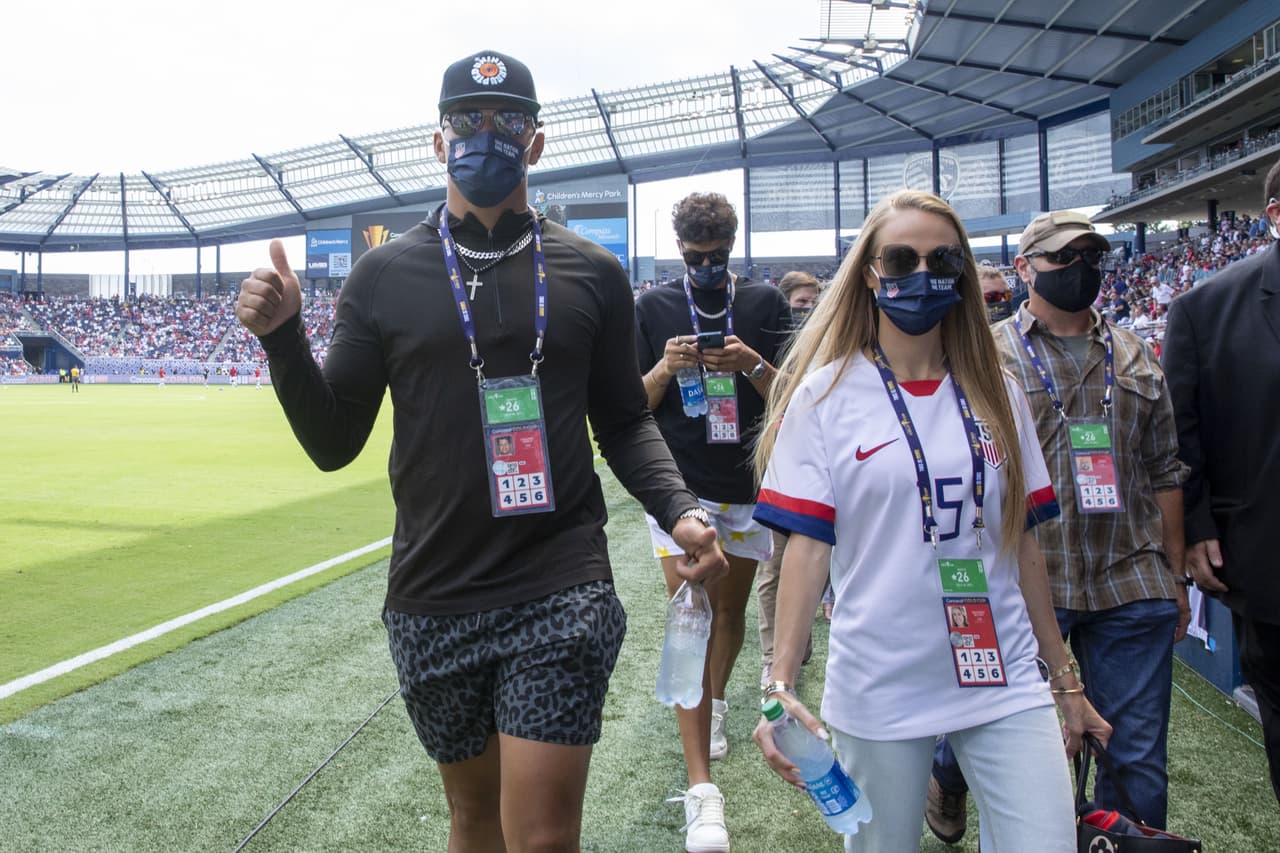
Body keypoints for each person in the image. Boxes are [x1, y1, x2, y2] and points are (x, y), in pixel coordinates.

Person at [235, 49, 728, 853]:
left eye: (507, 122)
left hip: (560, 580)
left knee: (538, 835)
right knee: (473, 822)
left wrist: (681, 510)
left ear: (536, 142)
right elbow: (333, 442)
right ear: (438, 140)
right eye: (467, 120)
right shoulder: (380, 275)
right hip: (434, 590)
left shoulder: (594, 271)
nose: (485, 136)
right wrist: (285, 340)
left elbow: (625, 419)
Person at [751, 190, 1109, 853]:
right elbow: (805, 551)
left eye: (940, 258)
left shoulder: (997, 387)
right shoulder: (824, 395)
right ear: (869, 271)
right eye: (900, 258)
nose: (921, 274)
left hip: (1001, 673)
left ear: (963, 273)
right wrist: (779, 682)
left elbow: (1024, 543)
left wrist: (1064, 679)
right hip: (880, 678)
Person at [927, 209, 1189, 844]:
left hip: (1129, 577)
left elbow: (1164, 471)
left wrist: (1174, 575)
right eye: (1062, 259)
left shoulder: (1135, 355)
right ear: (1025, 269)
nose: (1081, 270)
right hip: (1020, 585)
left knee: (1134, 758)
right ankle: (947, 771)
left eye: (1090, 257)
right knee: (997, 734)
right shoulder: (981, 354)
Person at [634, 192, 790, 853]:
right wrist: (670, 365)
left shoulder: (763, 303)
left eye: (717, 257)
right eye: (695, 257)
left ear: (732, 248)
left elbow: (790, 391)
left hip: (745, 482)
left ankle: (715, 702)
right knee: (689, 609)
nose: (705, 266)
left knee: (728, 614)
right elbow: (630, 403)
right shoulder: (652, 308)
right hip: (680, 485)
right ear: (679, 252)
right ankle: (701, 775)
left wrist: (747, 361)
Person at [1163, 161, 1280, 802]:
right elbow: (1183, 433)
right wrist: (1197, 525)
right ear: (1274, 216)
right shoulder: (1206, 308)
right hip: (1266, 560)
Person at [756, 270, 824, 691]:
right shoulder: (768, 345)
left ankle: (798, 640)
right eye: (801, 303)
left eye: (814, 301)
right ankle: (771, 658)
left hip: (821, 472)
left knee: (814, 563)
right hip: (780, 471)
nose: (809, 309)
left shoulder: (829, 342)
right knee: (773, 570)